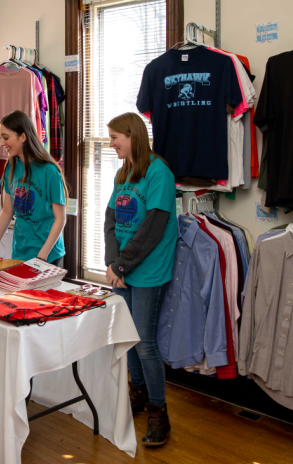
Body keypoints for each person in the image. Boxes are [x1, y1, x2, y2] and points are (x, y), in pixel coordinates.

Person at [104, 112, 177, 447]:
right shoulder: (124, 172)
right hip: (124, 268)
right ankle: (137, 393)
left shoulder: (159, 172)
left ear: (132, 136)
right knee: (127, 336)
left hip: (147, 270)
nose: (111, 144)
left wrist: (122, 265)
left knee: (144, 342)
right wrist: (112, 262)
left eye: (115, 138)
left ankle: (159, 411)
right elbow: (110, 217)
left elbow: (153, 228)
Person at [0, 110, 68, 266]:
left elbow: (60, 218)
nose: (1, 143)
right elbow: (7, 211)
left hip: (48, 254)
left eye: (5, 138)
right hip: (20, 252)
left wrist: (42, 255)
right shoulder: (11, 166)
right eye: (0, 138)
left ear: (23, 137)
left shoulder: (49, 171)